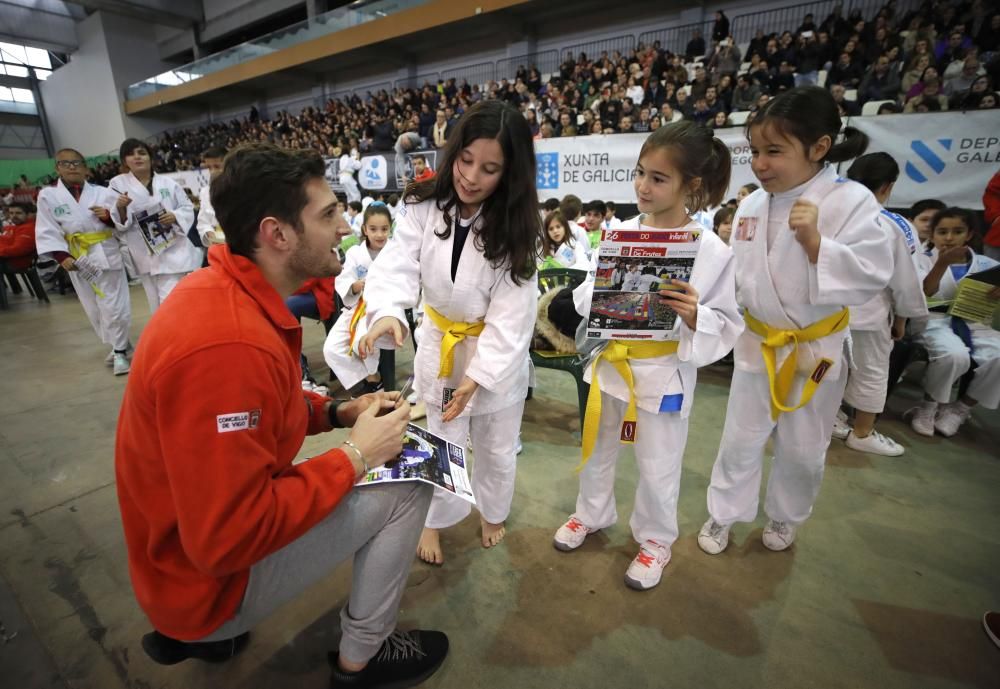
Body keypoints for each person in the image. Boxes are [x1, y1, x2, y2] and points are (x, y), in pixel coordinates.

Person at [115, 143, 449, 686]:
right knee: (409, 483)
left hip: (177, 561)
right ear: (277, 234)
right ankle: (362, 657)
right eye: (327, 215)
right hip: (204, 579)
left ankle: (204, 632)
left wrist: (339, 411)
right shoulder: (228, 347)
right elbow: (228, 536)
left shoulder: (220, 291)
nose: (345, 226)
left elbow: (265, 410)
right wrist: (357, 455)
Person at [697, 87, 892, 555]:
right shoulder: (750, 206)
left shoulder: (851, 201)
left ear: (819, 148)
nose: (761, 164)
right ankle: (723, 513)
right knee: (741, 438)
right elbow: (736, 276)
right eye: (756, 152)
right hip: (758, 343)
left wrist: (816, 244)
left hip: (815, 349)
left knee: (804, 446)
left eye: (774, 152)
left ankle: (785, 516)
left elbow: (872, 273)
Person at [554, 122, 742, 591]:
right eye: (640, 173)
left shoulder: (712, 251)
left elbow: (728, 322)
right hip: (613, 359)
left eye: (658, 178)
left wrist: (698, 314)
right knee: (598, 448)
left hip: (664, 369)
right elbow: (583, 300)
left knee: (660, 461)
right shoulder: (619, 233)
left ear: (690, 186)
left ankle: (656, 539)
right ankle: (590, 514)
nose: (642, 185)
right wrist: (598, 290)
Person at [358, 100, 540, 566]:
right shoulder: (423, 203)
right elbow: (397, 264)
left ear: (510, 173)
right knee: (442, 440)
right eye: (465, 160)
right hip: (440, 342)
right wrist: (387, 312)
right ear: (453, 151)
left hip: (492, 355)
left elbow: (513, 315)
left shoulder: (517, 229)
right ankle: (438, 520)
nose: (472, 176)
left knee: (497, 447)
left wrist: (477, 378)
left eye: (490, 168)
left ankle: (492, 511)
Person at [834, 153, 927, 455]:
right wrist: (902, 319)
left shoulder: (830, 215)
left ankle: (829, 418)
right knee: (871, 370)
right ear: (887, 187)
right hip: (869, 314)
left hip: (827, 312)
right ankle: (862, 432)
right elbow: (905, 280)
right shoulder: (894, 225)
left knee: (830, 366)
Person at [35, 149, 133, 374]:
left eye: (76, 162)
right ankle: (120, 343)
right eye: (65, 163)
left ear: (86, 167)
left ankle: (119, 352)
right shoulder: (48, 196)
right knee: (94, 308)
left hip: (106, 253)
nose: (71, 167)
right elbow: (46, 228)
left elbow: (123, 223)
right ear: (57, 168)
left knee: (115, 306)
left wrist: (108, 217)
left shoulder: (103, 192)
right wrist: (61, 256)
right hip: (77, 257)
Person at [906, 208, 1000, 437]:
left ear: (968, 235)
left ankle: (960, 408)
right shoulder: (921, 259)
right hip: (934, 321)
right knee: (954, 354)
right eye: (942, 232)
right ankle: (928, 407)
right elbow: (925, 291)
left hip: (974, 321)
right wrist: (941, 264)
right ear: (932, 235)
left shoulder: (987, 264)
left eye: (957, 231)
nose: (949, 237)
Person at [110, 138, 200, 312]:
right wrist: (120, 207)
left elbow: (187, 207)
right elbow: (118, 221)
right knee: (156, 305)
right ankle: (167, 335)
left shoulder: (169, 184)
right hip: (144, 252)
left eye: (142, 153)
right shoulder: (117, 184)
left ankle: (175, 334)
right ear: (124, 161)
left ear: (150, 157)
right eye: (131, 154)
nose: (137, 157)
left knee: (172, 301)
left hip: (174, 248)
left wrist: (174, 216)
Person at [324, 203, 394, 392]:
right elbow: (344, 278)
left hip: (382, 310)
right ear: (364, 229)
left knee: (360, 343)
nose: (379, 234)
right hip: (355, 308)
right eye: (373, 229)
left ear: (391, 228)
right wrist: (354, 286)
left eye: (384, 229)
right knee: (331, 349)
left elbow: (404, 282)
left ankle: (373, 378)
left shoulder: (396, 254)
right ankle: (366, 385)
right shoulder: (355, 253)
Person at [196, 146, 226, 247]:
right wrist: (208, 233)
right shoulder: (205, 192)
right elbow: (202, 222)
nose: (212, 171)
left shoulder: (243, 187)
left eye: (217, 166)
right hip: (218, 245)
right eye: (209, 167)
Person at [0, 202, 36, 270]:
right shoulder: (12, 227)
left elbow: (18, 249)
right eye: (11, 213)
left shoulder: (29, 228)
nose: (14, 216)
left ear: (27, 214)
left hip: (14, 262)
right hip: (5, 259)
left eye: (18, 213)